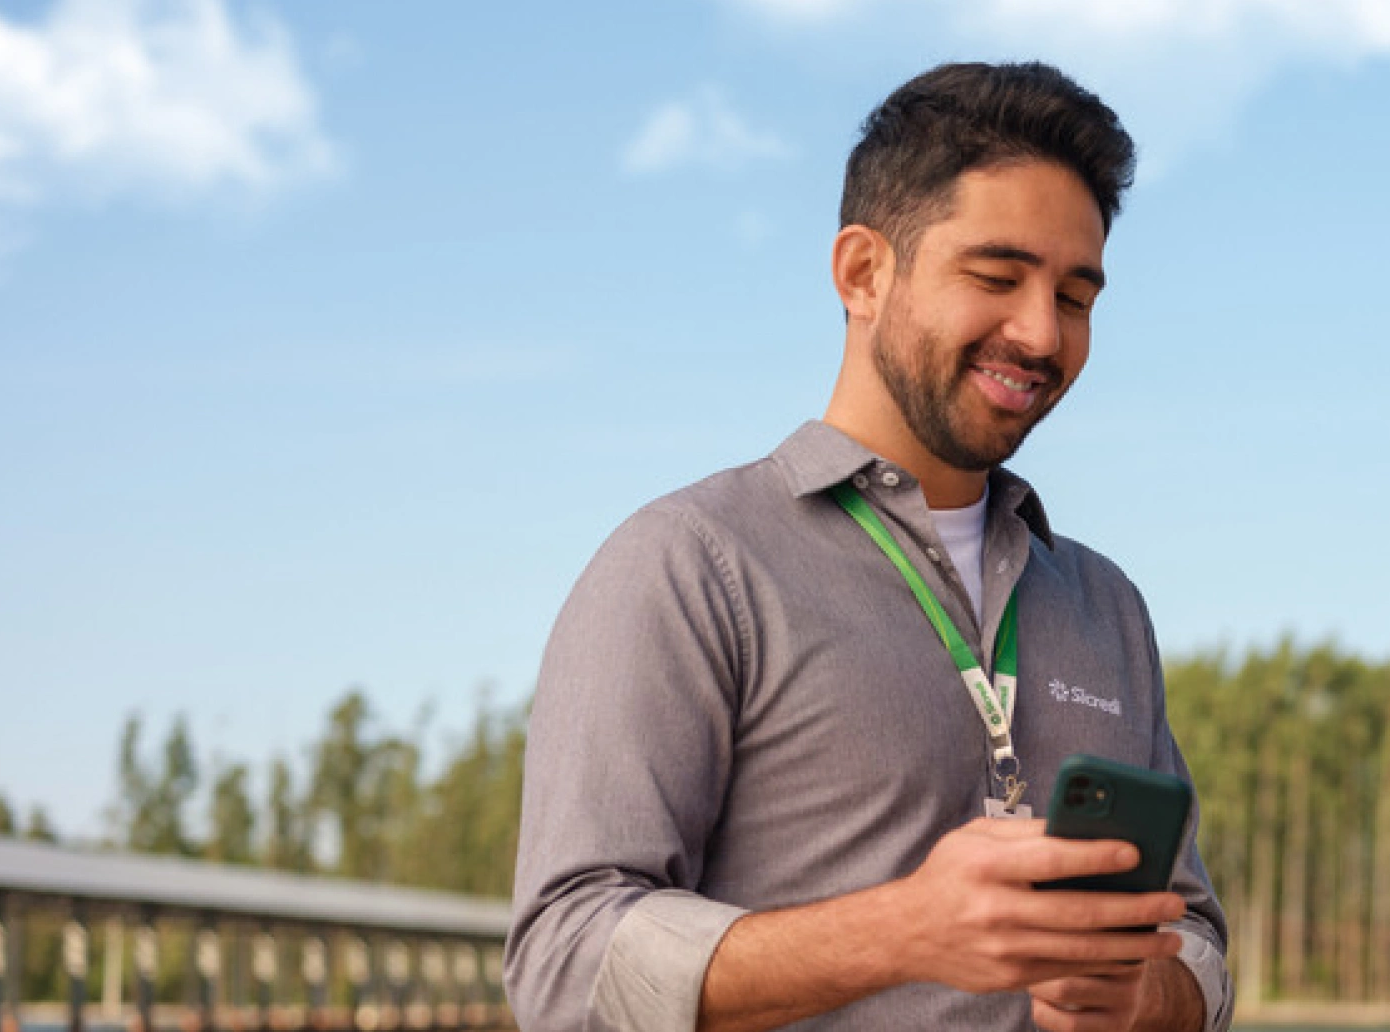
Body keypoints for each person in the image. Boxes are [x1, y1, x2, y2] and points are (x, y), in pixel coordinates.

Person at [505, 62, 1231, 1032]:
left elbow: (1195, 936)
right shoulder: (687, 565)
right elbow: (562, 964)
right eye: (996, 277)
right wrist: (899, 932)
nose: (1040, 334)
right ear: (862, 273)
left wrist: (1146, 996)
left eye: (1075, 297)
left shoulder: (1108, 607)